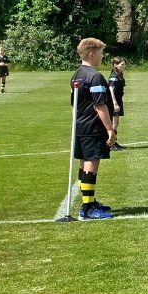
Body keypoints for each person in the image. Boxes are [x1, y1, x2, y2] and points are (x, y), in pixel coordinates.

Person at [59, 38, 117, 222]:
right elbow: (100, 105)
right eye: (101, 53)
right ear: (91, 54)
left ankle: (89, 202)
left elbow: (73, 105)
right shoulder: (95, 76)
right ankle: (88, 208)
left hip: (80, 126)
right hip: (92, 127)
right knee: (91, 163)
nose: (102, 56)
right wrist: (110, 129)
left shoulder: (76, 74)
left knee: (84, 162)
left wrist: (77, 122)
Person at [108, 57, 128, 151]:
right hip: (114, 101)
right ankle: (111, 144)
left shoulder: (119, 75)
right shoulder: (114, 76)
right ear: (115, 65)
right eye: (122, 64)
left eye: (124, 64)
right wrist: (114, 103)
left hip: (118, 101)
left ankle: (114, 142)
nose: (124, 66)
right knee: (114, 123)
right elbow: (110, 89)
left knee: (116, 123)